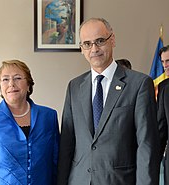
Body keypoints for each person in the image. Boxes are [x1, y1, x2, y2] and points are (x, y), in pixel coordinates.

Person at [57, 17, 160, 185]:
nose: (94, 49)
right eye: (87, 44)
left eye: (100, 41)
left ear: (112, 40)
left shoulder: (139, 84)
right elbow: (67, 144)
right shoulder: (74, 86)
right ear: (82, 49)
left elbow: (146, 145)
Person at [0, 60, 60, 185]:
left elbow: (56, 161)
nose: (11, 84)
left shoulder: (48, 116)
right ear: (0, 86)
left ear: (28, 84)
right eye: (5, 79)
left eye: (18, 78)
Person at [157, 45, 169, 184]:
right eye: (163, 62)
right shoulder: (164, 87)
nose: (165, 65)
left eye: (168, 61)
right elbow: (161, 128)